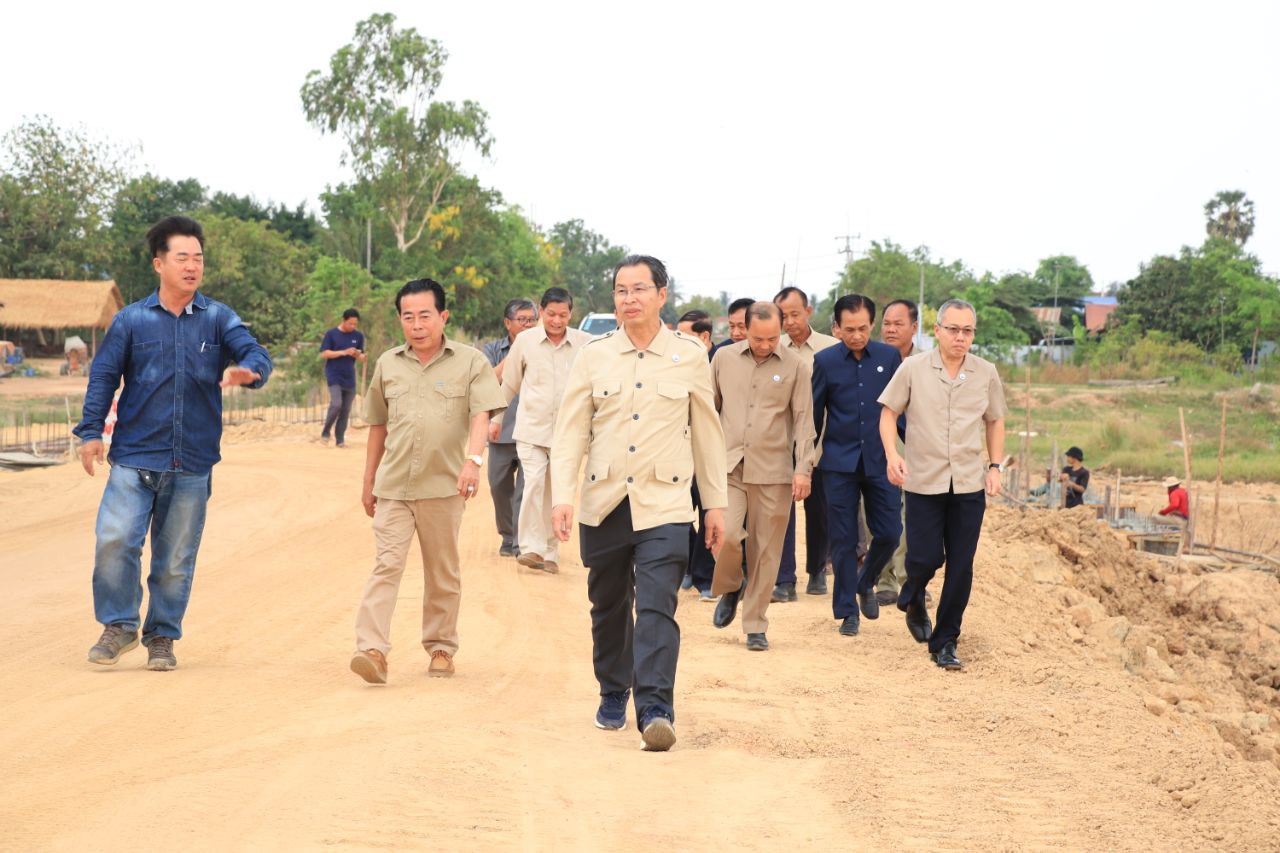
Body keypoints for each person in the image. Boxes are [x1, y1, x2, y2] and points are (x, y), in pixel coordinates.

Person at [75, 215, 272, 671]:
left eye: (198, 258)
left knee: (175, 559)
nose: (192, 266)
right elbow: (103, 376)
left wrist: (251, 370)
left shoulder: (218, 318)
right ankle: (119, 625)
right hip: (134, 457)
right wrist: (89, 432)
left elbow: (255, 351)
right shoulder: (131, 320)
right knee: (114, 541)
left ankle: (161, 637)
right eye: (182, 257)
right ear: (159, 263)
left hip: (192, 461)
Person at [550, 254, 727, 751]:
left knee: (656, 607)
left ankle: (655, 709)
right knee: (608, 605)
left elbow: (708, 434)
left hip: (665, 503)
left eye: (640, 289)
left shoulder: (689, 356)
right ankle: (613, 690)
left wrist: (714, 504)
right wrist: (563, 496)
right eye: (621, 291)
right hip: (604, 501)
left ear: (662, 295)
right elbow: (570, 432)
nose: (629, 299)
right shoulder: (595, 355)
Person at [350, 279, 506, 684]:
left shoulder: (470, 362)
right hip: (394, 486)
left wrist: (473, 461)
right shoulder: (388, 364)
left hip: (443, 486)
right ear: (400, 320)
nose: (416, 325)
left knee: (442, 571)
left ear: (443, 316)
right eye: (408, 317)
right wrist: (368, 481)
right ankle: (372, 650)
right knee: (386, 565)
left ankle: (440, 647)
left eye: (424, 316)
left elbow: (482, 414)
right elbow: (378, 425)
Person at [879, 298, 1007, 670]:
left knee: (961, 565)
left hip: (968, 484)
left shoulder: (985, 372)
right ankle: (914, 593)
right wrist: (892, 454)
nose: (960, 337)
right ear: (937, 330)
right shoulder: (913, 369)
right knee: (925, 557)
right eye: (953, 329)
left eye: (967, 331)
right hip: (923, 481)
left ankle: (946, 640)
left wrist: (995, 466)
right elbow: (888, 413)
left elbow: (995, 420)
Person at [709, 302, 814, 651]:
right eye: (758, 339)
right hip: (729, 466)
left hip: (773, 471)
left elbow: (804, 420)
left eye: (772, 338)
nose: (765, 345)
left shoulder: (796, 366)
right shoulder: (723, 359)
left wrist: (803, 469)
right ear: (744, 329)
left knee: (766, 550)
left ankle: (755, 623)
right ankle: (731, 585)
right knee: (726, 535)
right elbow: (709, 409)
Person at [813, 295, 902, 637]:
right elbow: (815, 414)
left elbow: (899, 411)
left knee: (890, 532)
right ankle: (847, 611)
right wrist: (804, 462)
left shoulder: (889, 358)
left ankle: (866, 582)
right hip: (839, 463)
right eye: (849, 329)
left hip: (880, 460)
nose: (856, 335)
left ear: (872, 325)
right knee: (844, 538)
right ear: (836, 327)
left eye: (863, 328)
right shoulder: (825, 362)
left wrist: (914, 448)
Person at [500, 287, 592, 575]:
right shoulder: (525, 341)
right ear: (541, 311)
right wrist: (496, 418)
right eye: (551, 314)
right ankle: (531, 548)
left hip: (568, 433)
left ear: (571, 314)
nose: (556, 320)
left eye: (562, 315)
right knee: (534, 484)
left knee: (558, 492)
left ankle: (551, 552)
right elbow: (510, 384)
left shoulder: (584, 344)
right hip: (531, 429)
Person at [772, 286, 840, 601]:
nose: (789, 322)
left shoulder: (831, 348)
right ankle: (784, 579)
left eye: (794, 314)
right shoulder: (773, 348)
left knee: (820, 510)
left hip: (824, 440)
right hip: (782, 442)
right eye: (783, 316)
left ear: (808, 311)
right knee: (781, 512)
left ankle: (817, 570)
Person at [482, 299, 538, 557]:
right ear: (508, 323)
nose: (528, 325)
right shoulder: (492, 349)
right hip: (500, 430)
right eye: (522, 320)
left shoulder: (543, 348)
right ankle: (507, 534)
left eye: (532, 320)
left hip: (532, 431)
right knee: (498, 486)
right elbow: (488, 381)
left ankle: (518, 543)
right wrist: (516, 354)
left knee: (525, 491)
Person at [874, 299, 919, 606]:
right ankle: (884, 579)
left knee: (910, 515)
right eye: (887, 324)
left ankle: (907, 579)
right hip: (879, 446)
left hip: (916, 447)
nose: (890, 329)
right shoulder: (872, 359)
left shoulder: (926, 362)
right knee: (879, 514)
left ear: (914, 327)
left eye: (898, 324)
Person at [676, 309, 719, 600]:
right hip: (679, 449)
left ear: (704, 337)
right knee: (678, 511)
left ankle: (704, 577)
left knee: (708, 510)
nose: (678, 341)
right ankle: (688, 564)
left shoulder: (722, 361)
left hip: (710, 449)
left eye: (685, 336)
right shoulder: (673, 362)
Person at [318, 308, 366, 448]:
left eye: (355, 324)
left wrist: (359, 355)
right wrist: (343, 352)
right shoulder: (331, 334)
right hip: (334, 375)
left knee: (345, 409)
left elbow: (361, 355)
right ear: (343, 320)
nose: (353, 326)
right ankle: (326, 432)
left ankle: (340, 440)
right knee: (336, 404)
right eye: (350, 323)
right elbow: (324, 354)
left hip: (349, 376)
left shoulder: (358, 336)